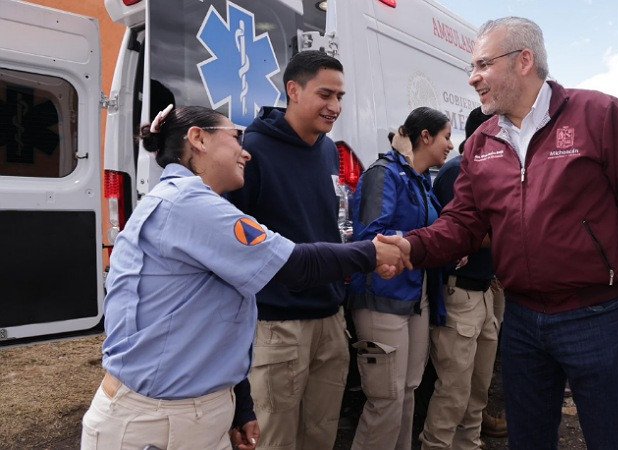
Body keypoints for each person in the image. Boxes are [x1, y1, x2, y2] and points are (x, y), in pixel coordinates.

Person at [387, 17, 618, 449]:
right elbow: (463, 223)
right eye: (472, 66)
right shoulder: (482, 141)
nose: (473, 77)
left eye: (483, 64)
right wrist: (412, 246)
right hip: (521, 319)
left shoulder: (598, 113)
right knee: (528, 439)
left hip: (595, 315)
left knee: (611, 436)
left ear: (524, 60)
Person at [81, 105, 408, 450]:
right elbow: (294, 265)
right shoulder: (187, 203)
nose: (246, 152)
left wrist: (239, 407)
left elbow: (219, 325)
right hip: (155, 424)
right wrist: (372, 253)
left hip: (185, 415)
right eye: (235, 138)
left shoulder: (194, 203)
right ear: (199, 139)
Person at [226, 51, 352, 450]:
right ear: (293, 91)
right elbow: (233, 244)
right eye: (325, 94)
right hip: (277, 326)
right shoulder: (253, 152)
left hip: (330, 320)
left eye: (340, 97)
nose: (334, 107)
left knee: (321, 436)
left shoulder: (329, 150)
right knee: (274, 441)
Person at [348, 106, 451, 450]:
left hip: (415, 296)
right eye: (446, 137)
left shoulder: (420, 182)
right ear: (425, 137)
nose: (451, 146)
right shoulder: (383, 174)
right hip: (382, 294)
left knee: (407, 392)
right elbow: (370, 234)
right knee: (385, 399)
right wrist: (421, 244)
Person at [420, 106, 504, 450]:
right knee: (454, 390)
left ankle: (468, 444)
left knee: (477, 388)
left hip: (482, 291)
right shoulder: (459, 172)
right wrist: (513, 233)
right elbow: (461, 235)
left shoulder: (481, 169)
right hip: (460, 294)